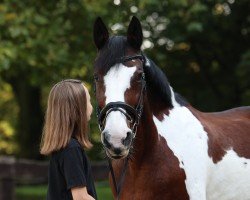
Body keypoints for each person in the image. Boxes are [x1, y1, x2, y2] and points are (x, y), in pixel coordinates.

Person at [40, 79, 97, 200]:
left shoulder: (65, 147)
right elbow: (81, 197)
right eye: (88, 101)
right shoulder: (71, 149)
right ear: (77, 108)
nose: (91, 106)